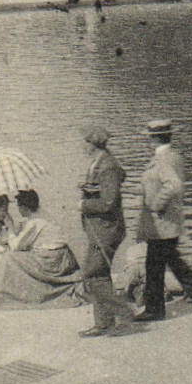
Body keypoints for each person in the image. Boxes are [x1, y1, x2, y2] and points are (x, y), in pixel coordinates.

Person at [136, 119, 192, 320]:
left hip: (162, 221)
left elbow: (173, 185)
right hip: (168, 221)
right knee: (171, 262)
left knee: (155, 265)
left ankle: (155, 309)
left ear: (153, 138)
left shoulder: (163, 159)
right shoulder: (172, 156)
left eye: (149, 138)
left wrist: (156, 204)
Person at [76, 125, 135, 336]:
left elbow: (109, 202)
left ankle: (125, 313)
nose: (81, 145)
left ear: (93, 144)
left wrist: (84, 205)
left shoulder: (108, 166)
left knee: (91, 274)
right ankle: (103, 323)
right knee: (100, 274)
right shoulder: (99, 163)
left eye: (84, 141)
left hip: (106, 229)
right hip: (98, 229)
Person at [0, 190, 87, 306]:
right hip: (62, 256)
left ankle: (10, 294)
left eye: (19, 206)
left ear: (24, 208)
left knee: (9, 258)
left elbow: (16, 246)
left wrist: (10, 228)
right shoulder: (42, 216)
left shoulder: (35, 222)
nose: (18, 210)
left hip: (50, 260)